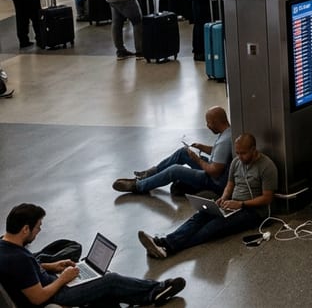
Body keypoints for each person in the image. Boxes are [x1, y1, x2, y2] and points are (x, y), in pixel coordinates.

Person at [0, 204, 186, 307]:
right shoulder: (18, 259)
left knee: (98, 275)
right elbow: (38, 298)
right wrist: (63, 279)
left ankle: (140, 295)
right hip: (57, 295)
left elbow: (28, 271)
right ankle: (156, 290)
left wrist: (53, 266)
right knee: (109, 279)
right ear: (25, 229)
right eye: (37, 227)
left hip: (51, 281)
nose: (39, 231)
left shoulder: (6, 244)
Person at [136, 134, 276, 259]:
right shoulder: (236, 162)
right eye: (237, 153)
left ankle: (168, 246)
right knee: (200, 217)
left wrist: (241, 204)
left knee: (212, 228)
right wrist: (225, 197)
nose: (240, 157)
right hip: (233, 204)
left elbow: (267, 198)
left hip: (253, 212)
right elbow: (230, 184)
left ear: (253, 149)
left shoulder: (266, 166)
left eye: (243, 153)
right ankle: (165, 243)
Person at [112, 106, 231, 197]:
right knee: (183, 152)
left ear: (216, 122)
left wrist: (197, 160)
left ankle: (138, 186)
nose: (207, 126)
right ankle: (150, 174)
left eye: (209, 122)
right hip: (214, 171)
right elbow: (219, 154)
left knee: (174, 170)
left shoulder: (223, 142)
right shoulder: (228, 133)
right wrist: (201, 147)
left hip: (214, 181)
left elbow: (215, 172)